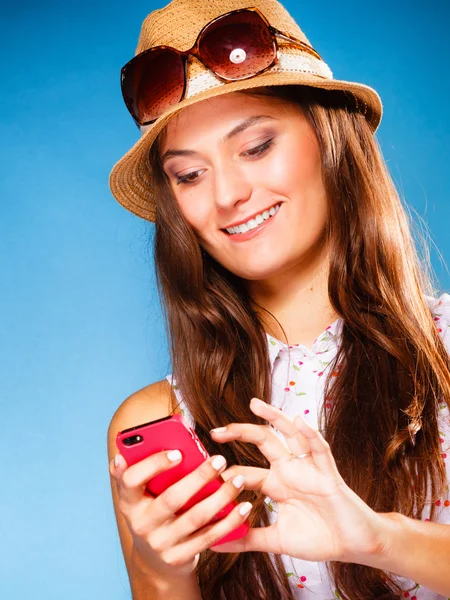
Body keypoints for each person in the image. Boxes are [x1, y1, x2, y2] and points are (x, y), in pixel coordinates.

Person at [107, 1, 450, 599]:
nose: (228, 195)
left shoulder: (442, 353)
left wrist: (375, 537)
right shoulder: (157, 425)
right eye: (189, 175)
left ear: (329, 138)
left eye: (257, 146)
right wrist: (162, 569)